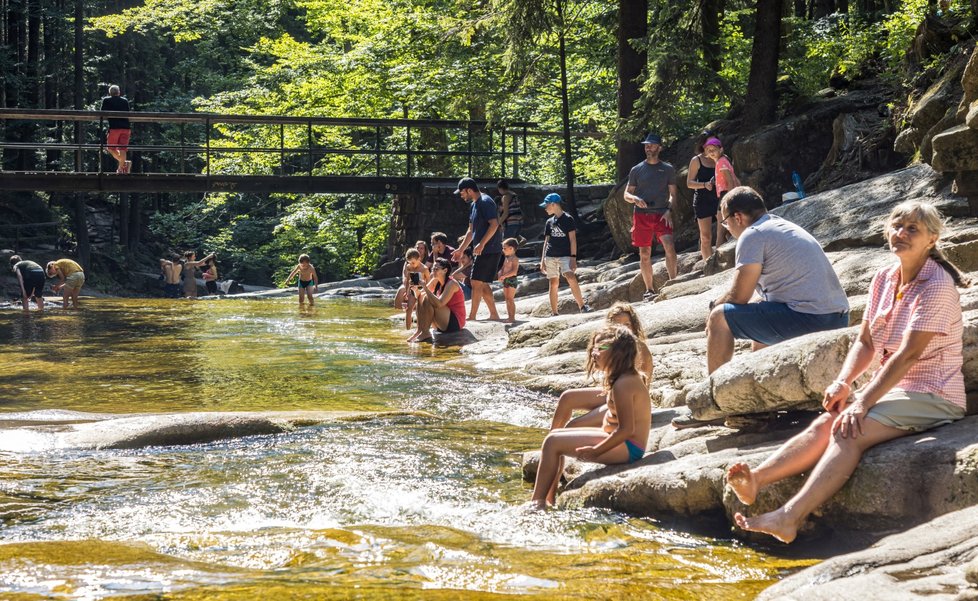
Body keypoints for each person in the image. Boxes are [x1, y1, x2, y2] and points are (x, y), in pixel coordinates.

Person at [726, 201, 970, 544]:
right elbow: (866, 341)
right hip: (898, 390)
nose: (900, 234)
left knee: (847, 430)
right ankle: (757, 480)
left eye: (912, 229)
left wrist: (863, 401)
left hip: (935, 393)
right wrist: (844, 382)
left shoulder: (937, 285)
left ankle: (788, 517)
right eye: (896, 226)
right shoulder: (884, 278)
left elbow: (908, 355)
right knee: (829, 419)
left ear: (932, 239)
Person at [530, 325, 652, 509]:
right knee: (556, 438)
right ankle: (548, 499)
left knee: (552, 442)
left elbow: (627, 430)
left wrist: (596, 452)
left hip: (629, 448)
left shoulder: (624, 384)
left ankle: (537, 505)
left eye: (600, 349)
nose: (594, 353)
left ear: (617, 353)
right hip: (621, 442)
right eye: (594, 348)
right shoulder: (622, 378)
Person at [550, 302, 655, 431]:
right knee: (567, 398)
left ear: (633, 327)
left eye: (627, 325)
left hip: (629, 404)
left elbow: (639, 387)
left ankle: (556, 445)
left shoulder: (638, 348)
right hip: (612, 395)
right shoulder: (611, 347)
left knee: (573, 426)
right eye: (617, 325)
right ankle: (550, 442)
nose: (623, 329)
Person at [624, 133, 678, 301]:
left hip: (662, 214)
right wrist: (635, 199)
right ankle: (649, 290)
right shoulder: (636, 169)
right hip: (641, 216)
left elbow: (673, 195)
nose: (648, 147)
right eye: (646, 145)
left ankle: (674, 283)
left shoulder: (667, 169)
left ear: (659, 148)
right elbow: (626, 194)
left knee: (669, 246)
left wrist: (669, 209)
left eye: (652, 145)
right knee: (644, 253)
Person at [451, 178, 502, 321]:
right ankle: (494, 315)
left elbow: (494, 224)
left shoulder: (485, 202)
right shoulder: (474, 205)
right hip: (482, 249)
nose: (461, 196)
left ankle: (472, 316)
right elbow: (470, 230)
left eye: (462, 192)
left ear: (469, 190)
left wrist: (482, 244)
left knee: (475, 281)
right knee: (481, 282)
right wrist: (461, 250)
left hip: (490, 249)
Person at [539, 193, 591, 315]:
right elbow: (546, 241)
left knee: (570, 277)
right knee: (553, 282)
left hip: (565, 255)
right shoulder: (549, 222)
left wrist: (573, 257)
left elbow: (572, 239)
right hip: (550, 256)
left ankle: (582, 306)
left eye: (546, 206)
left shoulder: (568, 219)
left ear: (553, 204)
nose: (545, 208)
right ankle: (554, 312)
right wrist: (542, 260)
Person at [410, 257, 466, 343]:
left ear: (445, 270)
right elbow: (419, 296)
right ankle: (420, 330)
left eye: (436, 269)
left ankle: (425, 333)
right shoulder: (436, 280)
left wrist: (425, 288)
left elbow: (440, 304)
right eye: (433, 269)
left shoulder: (452, 283)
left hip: (455, 323)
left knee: (428, 297)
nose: (433, 271)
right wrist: (415, 290)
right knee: (422, 297)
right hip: (442, 321)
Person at [703, 137, 740, 248]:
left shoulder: (721, 162)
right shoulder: (723, 161)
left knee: (720, 231)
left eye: (713, 149)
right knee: (728, 230)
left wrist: (729, 200)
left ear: (721, 149)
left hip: (726, 196)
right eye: (708, 150)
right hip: (728, 194)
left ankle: (716, 262)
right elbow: (736, 179)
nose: (711, 152)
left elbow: (730, 181)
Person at [687, 134, 718, 261]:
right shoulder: (696, 160)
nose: (711, 146)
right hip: (702, 200)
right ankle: (708, 265)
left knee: (727, 230)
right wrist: (705, 185)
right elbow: (689, 183)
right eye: (708, 143)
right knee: (706, 237)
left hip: (719, 197)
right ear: (702, 145)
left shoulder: (720, 158)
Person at [392, 248, 430, 330]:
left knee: (420, 311)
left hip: (422, 290)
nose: (412, 265)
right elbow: (407, 280)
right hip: (413, 289)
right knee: (409, 309)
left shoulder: (424, 269)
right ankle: (408, 329)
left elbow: (429, 281)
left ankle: (421, 329)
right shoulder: (409, 267)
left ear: (419, 259)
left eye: (413, 262)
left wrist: (425, 291)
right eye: (410, 263)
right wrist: (406, 291)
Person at [100, 84, 131, 174]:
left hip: (114, 127)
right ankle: (121, 169)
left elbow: (102, 112)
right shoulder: (124, 101)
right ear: (119, 92)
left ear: (110, 93)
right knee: (123, 149)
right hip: (126, 127)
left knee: (110, 148)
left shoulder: (106, 100)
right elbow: (128, 112)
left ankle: (123, 164)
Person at [497, 237, 520, 323]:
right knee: (506, 299)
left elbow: (514, 272)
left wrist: (504, 276)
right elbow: (502, 268)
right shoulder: (506, 258)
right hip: (505, 279)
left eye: (504, 248)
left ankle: (512, 317)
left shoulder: (515, 259)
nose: (503, 250)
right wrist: (500, 274)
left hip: (512, 280)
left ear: (511, 248)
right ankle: (509, 316)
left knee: (510, 299)